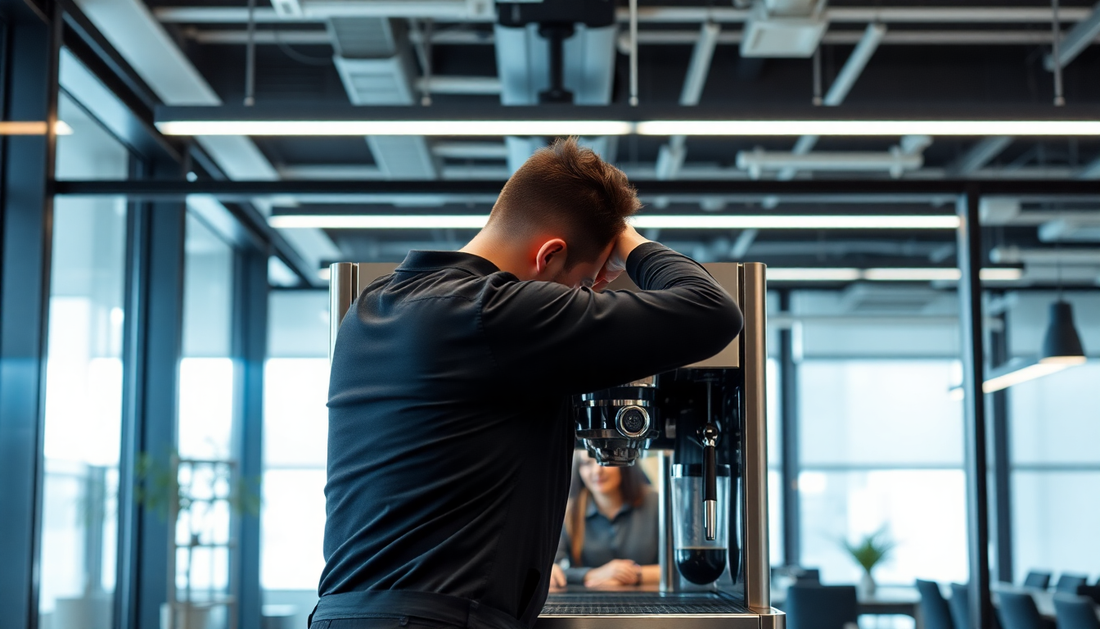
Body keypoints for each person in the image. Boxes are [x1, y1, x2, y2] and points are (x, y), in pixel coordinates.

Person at [316, 137, 743, 629]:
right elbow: (712, 312)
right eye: (583, 287)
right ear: (549, 255)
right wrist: (628, 239)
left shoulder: (372, 304)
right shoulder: (494, 311)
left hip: (341, 615)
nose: (582, 301)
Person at [553, 450, 659, 588]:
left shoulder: (657, 503)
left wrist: (632, 574)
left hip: (650, 603)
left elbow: (678, 568)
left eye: (606, 460)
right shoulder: (569, 512)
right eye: (587, 463)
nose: (597, 471)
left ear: (626, 464)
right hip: (589, 604)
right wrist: (593, 574)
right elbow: (555, 569)